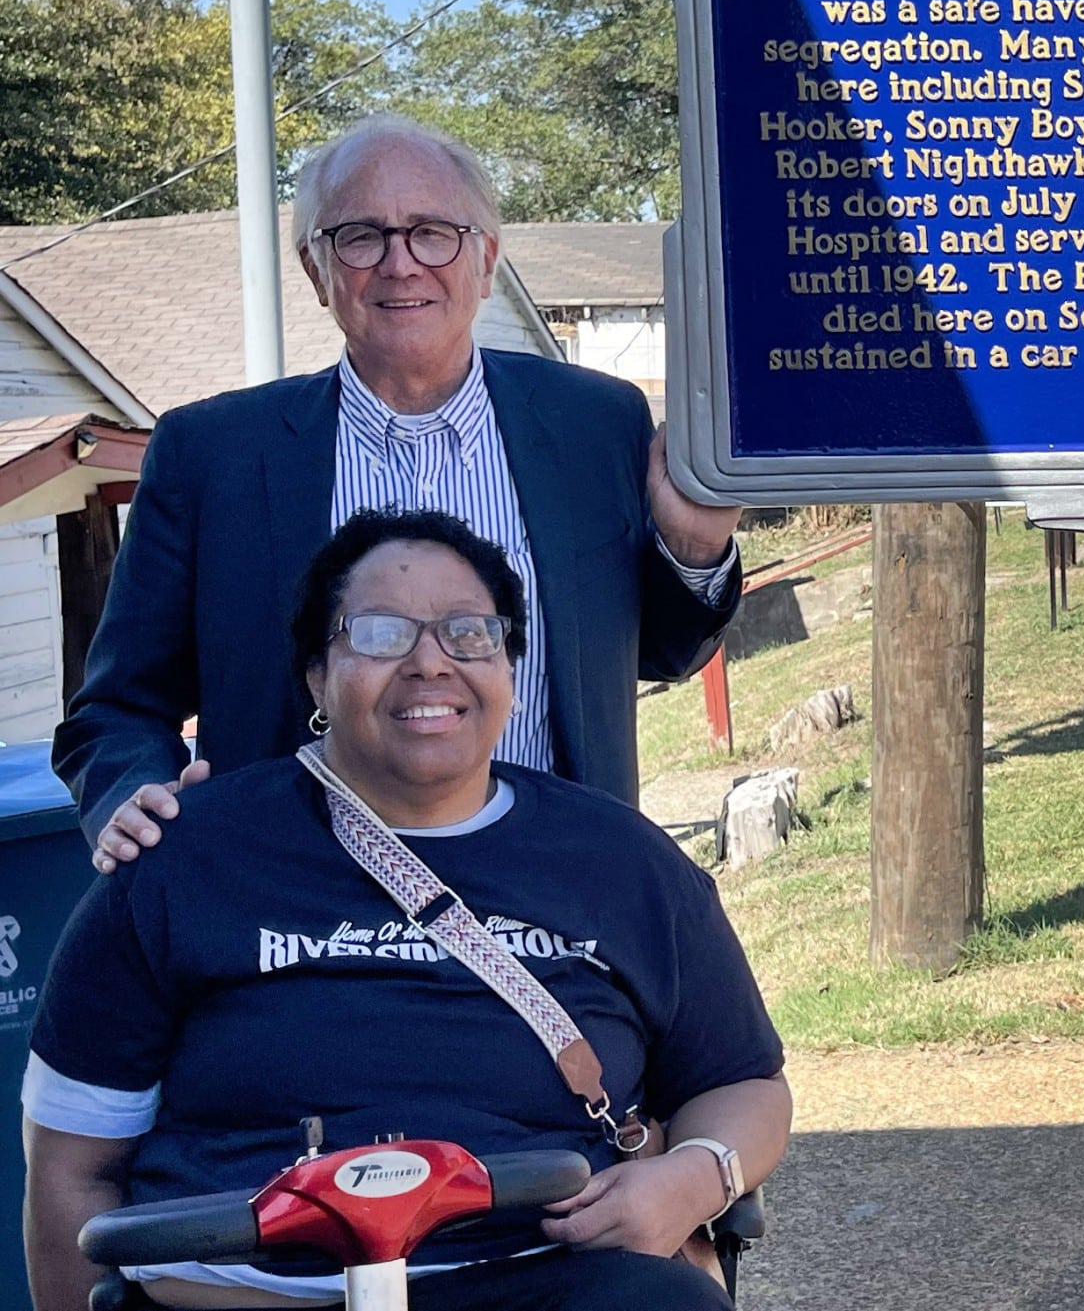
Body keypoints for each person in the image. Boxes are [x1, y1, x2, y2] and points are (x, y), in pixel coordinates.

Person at [23, 509, 790, 1311]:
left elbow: (745, 1081)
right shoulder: (183, 860)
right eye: (383, 633)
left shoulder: (622, 861)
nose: (431, 663)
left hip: (546, 1273)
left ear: (509, 668)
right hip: (245, 1289)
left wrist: (696, 1174)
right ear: (318, 673)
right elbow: (72, 1167)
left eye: (469, 632)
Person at [58, 115, 743, 866]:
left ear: (486, 258)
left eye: (432, 231)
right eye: (361, 236)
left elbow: (662, 653)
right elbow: (117, 708)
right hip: (300, 917)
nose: (401, 262)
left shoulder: (595, 424)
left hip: (556, 892)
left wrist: (692, 546)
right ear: (317, 270)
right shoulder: (211, 455)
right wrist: (132, 793)